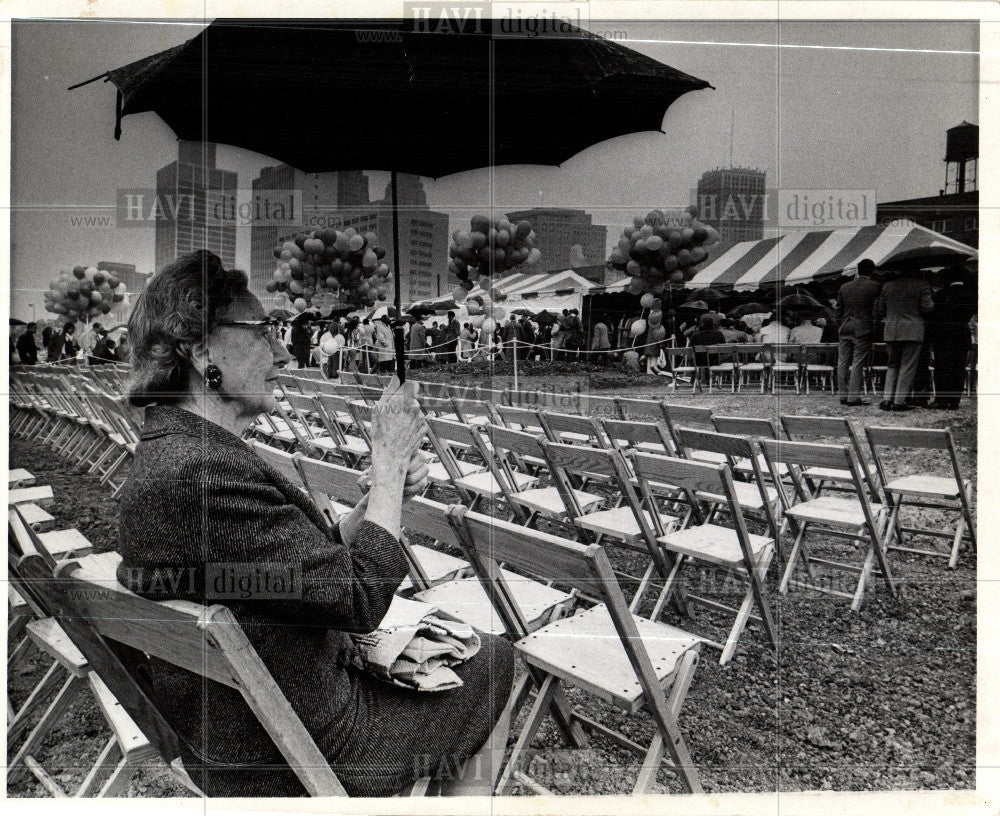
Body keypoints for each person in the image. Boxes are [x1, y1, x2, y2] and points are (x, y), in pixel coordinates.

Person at [117, 250, 514, 797]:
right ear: (202, 348)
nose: (282, 351)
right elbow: (357, 599)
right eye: (263, 331)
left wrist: (375, 502)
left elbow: (279, 573)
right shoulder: (203, 472)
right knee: (493, 659)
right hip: (306, 747)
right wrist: (391, 466)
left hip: (231, 732)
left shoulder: (170, 454)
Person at [876, 267, 934, 411]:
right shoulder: (922, 285)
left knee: (892, 365)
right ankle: (899, 401)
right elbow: (927, 308)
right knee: (907, 365)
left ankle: (886, 399)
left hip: (891, 330)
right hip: (912, 331)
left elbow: (880, 309)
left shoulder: (887, 286)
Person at [927, 268, 976, 410]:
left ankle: (942, 399)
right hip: (961, 333)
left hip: (943, 335)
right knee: (958, 367)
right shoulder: (970, 295)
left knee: (942, 366)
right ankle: (955, 400)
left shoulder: (941, 295)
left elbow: (933, 316)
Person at [835, 259, 880, 405]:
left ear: (857, 270)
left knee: (842, 361)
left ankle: (843, 395)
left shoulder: (845, 287)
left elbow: (838, 310)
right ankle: (853, 397)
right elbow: (876, 310)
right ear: (872, 271)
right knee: (857, 362)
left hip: (845, 326)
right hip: (862, 328)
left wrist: (840, 324)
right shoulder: (875, 287)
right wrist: (874, 327)